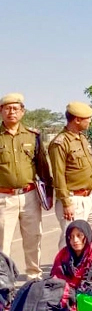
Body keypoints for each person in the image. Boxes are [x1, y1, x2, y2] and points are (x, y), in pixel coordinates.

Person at [0, 93, 53, 280]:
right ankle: (4, 282)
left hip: (30, 196)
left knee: (33, 239)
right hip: (4, 198)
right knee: (3, 243)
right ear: (1, 111)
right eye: (7, 108)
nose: (11, 112)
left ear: (22, 112)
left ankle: (34, 278)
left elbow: (43, 166)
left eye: (15, 108)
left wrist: (49, 193)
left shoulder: (33, 136)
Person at [49, 101, 92, 250]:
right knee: (73, 240)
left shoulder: (82, 138)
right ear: (77, 120)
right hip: (74, 199)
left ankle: (91, 269)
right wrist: (66, 203)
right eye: (88, 118)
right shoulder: (60, 143)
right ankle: (66, 271)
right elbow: (58, 175)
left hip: (90, 197)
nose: (90, 121)